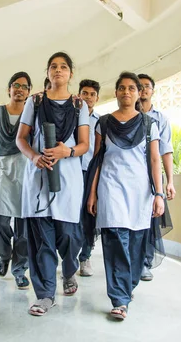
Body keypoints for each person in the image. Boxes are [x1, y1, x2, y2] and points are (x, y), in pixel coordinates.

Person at [85, 72, 165, 320]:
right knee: (115, 238)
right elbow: (97, 159)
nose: (126, 92)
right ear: (116, 92)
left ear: (139, 92)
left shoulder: (149, 124)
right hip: (110, 187)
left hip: (140, 190)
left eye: (132, 88)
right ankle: (119, 299)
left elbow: (154, 159)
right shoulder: (105, 123)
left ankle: (127, 287)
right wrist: (92, 194)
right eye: (122, 88)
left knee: (136, 243)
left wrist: (159, 194)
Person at [16, 52, 89, 316]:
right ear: (47, 72)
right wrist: (35, 156)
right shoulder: (34, 102)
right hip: (38, 178)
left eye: (64, 67)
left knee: (69, 235)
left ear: (70, 73)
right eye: (53, 67)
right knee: (41, 240)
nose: (58, 70)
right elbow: (21, 139)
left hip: (68, 178)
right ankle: (45, 294)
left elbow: (84, 144)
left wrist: (65, 152)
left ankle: (69, 270)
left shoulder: (80, 106)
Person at [0, 72, 32, 289]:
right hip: (2, 168)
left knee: (23, 225)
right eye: (16, 85)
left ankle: (20, 269)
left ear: (29, 92)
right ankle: (4, 254)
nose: (19, 89)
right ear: (9, 89)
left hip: (25, 169)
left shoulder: (32, 114)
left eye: (24, 86)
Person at [137, 74, 176, 281]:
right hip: (130, 176)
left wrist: (169, 181)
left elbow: (165, 150)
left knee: (150, 220)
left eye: (146, 87)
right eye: (139, 86)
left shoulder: (160, 119)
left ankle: (145, 262)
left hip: (152, 177)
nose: (143, 90)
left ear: (152, 91)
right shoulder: (126, 115)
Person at [77, 79, 101, 277]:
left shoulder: (101, 122)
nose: (88, 97)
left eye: (92, 94)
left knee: (88, 216)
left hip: (91, 173)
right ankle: (69, 256)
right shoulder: (73, 117)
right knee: (71, 215)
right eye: (84, 93)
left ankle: (85, 257)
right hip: (73, 171)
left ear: (97, 98)